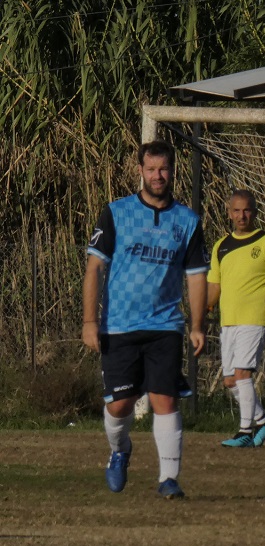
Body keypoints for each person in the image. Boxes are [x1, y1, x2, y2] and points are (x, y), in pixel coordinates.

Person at [82, 140, 208, 500]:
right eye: (151, 169)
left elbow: (196, 276)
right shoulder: (116, 212)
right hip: (119, 325)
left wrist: (197, 325)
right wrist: (89, 321)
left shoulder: (187, 221)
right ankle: (120, 448)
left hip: (165, 325)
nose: (158, 176)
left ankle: (169, 479)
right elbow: (94, 268)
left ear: (173, 171)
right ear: (140, 171)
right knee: (119, 405)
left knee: (164, 399)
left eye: (163, 169)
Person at [207, 190, 265, 448]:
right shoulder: (221, 246)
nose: (241, 215)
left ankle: (245, 432)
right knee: (231, 381)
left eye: (246, 210)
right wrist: (201, 310)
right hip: (228, 322)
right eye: (236, 210)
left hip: (254, 319)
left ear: (255, 212)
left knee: (243, 374)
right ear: (229, 213)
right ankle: (264, 422)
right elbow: (215, 285)